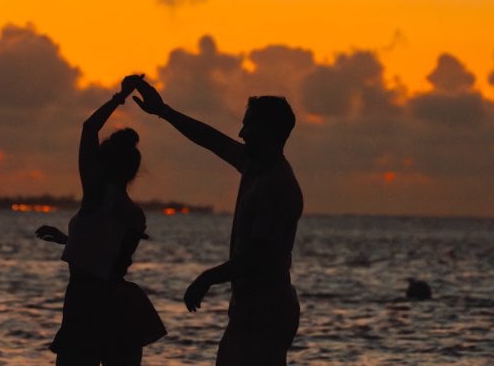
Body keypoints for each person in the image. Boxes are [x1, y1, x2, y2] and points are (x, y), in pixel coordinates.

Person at [133, 79, 303, 365]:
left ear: (270, 132)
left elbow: (259, 256)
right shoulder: (255, 166)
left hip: (266, 314)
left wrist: (207, 278)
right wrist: (163, 111)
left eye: (249, 126)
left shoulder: (276, 186)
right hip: (250, 311)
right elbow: (211, 140)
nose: (242, 133)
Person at [35, 74, 166, 365]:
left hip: (85, 303)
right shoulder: (135, 215)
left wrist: (120, 97)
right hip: (121, 306)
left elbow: (89, 127)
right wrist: (69, 240)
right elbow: (112, 261)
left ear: (103, 165)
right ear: (133, 171)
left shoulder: (96, 193)